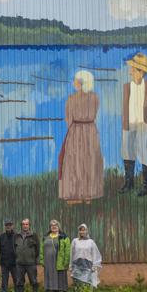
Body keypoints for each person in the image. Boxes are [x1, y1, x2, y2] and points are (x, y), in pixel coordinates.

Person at [58, 70, 104, 204]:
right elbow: (94, 113)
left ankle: (74, 195)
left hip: (76, 131)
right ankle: (88, 195)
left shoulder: (71, 99)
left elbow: (68, 119)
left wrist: (76, 128)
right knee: (88, 162)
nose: (73, 82)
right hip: (90, 131)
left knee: (74, 163)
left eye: (76, 80)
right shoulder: (95, 97)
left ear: (81, 83)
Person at [118, 53, 147, 197]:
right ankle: (129, 184)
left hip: (144, 124)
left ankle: (146, 187)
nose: (130, 71)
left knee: (146, 155)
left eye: (133, 69)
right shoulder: (126, 87)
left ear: (141, 72)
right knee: (127, 154)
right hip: (129, 124)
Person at [40, 219, 70, 292]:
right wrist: (41, 260)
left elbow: (67, 250)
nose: (54, 227)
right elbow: (41, 249)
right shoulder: (45, 237)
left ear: (58, 226)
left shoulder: (64, 237)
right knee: (49, 275)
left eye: (55, 225)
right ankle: (50, 291)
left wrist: (66, 261)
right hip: (48, 261)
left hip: (59, 260)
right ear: (50, 227)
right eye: (52, 225)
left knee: (60, 275)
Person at [14, 218, 39, 292]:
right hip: (19, 263)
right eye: (23, 224)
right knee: (19, 282)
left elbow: (37, 249)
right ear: (21, 226)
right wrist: (17, 257)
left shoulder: (34, 235)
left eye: (27, 224)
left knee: (34, 281)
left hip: (31, 263)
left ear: (29, 225)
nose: (25, 226)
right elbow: (14, 248)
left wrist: (33, 258)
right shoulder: (16, 235)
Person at [70, 224, 102, 288]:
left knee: (87, 281)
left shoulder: (91, 242)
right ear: (78, 231)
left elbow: (95, 253)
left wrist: (94, 265)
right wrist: (70, 265)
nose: (82, 232)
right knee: (78, 280)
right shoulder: (75, 241)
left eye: (84, 230)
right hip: (77, 264)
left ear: (86, 231)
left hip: (88, 264)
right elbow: (72, 254)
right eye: (80, 230)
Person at [0, 218, 17, 292]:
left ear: (12, 226)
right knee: (4, 281)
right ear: (5, 226)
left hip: (14, 263)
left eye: (10, 225)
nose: (8, 226)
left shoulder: (16, 236)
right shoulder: (2, 236)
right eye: (6, 225)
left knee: (16, 280)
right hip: (4, 263)